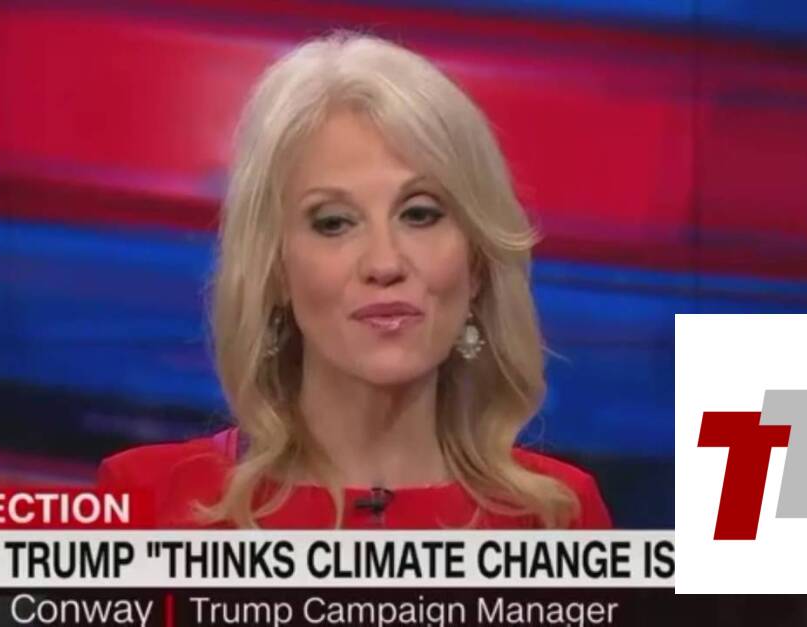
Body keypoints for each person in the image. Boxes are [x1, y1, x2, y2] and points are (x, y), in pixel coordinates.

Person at [98, 31, 612, 529]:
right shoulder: (147, 503)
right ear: (275, 270)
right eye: (334, 223)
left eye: (420, 214)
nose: (384, 263)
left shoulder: (557, 518)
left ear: (476, 262)